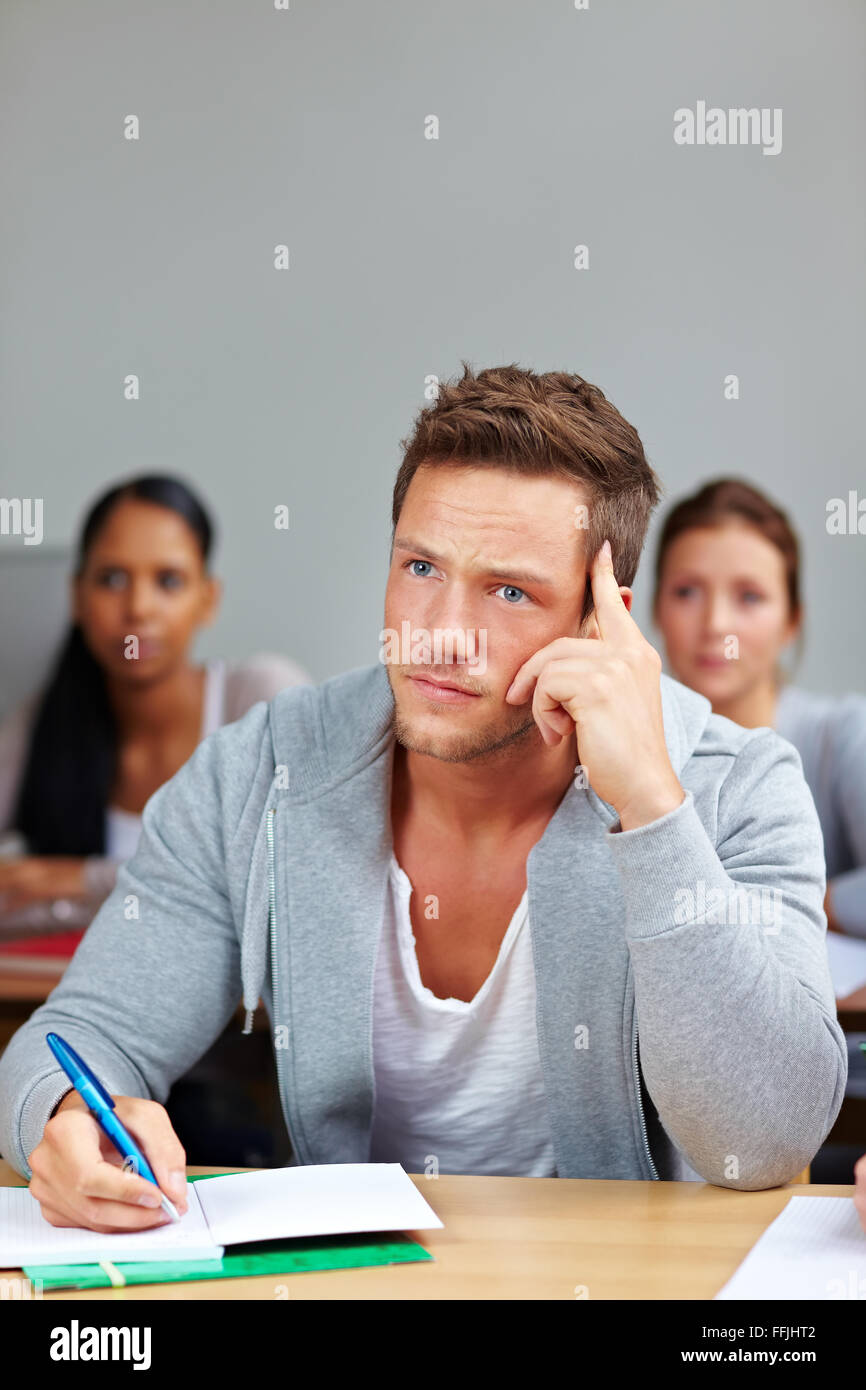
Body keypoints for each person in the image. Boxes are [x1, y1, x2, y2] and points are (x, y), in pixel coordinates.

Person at [0, 364, 847, 1233]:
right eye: (421, 567)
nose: (438, 633)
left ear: (605, 627)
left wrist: (653, 810)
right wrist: (65, 1118)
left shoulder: (735, 785)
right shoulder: (261, 771)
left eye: (509, 591)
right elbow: (79, 1032)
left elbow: (768, 1136)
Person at [0, 473, 311, 929]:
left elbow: (297, 872)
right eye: (111, 578)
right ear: (77, 597)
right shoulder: (45, 721)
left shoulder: (259, 698)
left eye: (168, 581)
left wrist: (81, 880)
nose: (139, 607)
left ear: (207, 599)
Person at [651, 477, 866, 941]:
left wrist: (787, 899)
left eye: (749, 597)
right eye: (687, 592)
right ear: (653, 608)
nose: (716, 625)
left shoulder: (846, 735)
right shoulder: (620, 755)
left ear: (791, 621)